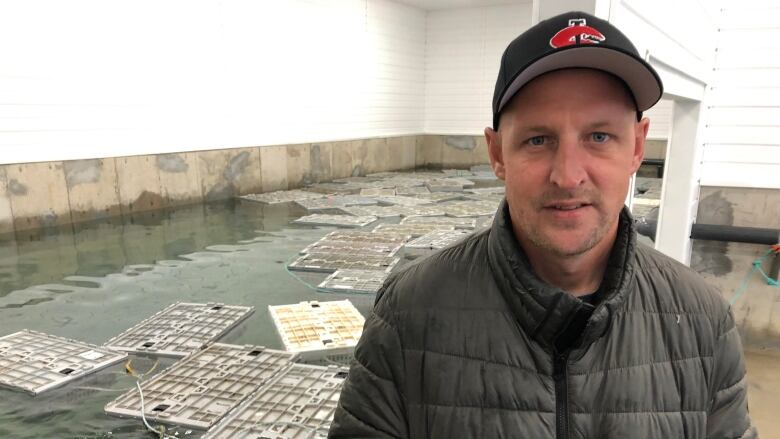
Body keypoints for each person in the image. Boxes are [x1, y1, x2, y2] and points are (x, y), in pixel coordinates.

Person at [329, 11, 756, 439]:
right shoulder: (408, 314)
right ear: (497, 153)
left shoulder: (702, 321)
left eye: (599, 137)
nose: (568, 176)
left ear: (637, 147)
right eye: (538, 140)